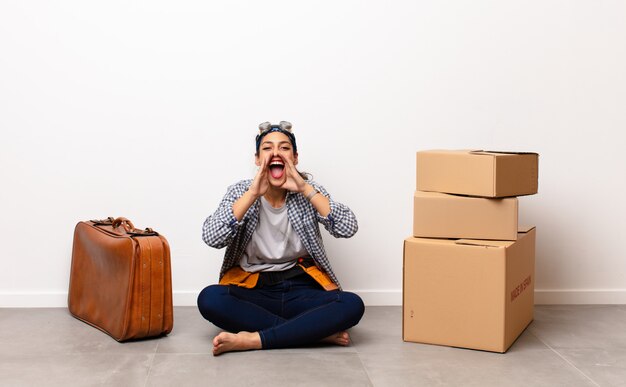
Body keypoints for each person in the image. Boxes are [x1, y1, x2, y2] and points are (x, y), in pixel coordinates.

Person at [197, 121, 365, 356]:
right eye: (267, 148)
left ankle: (255, 339)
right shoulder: (241, 192)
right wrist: (253, 194)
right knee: (210, 299)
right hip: (254, 288)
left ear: (295, 158)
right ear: (257, 159)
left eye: (284, 148)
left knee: (352, 305)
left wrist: (305, 188)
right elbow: (212, 237)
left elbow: (348, 227)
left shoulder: (308, 190)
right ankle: (311, 332)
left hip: (301, 286)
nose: (276, 152)